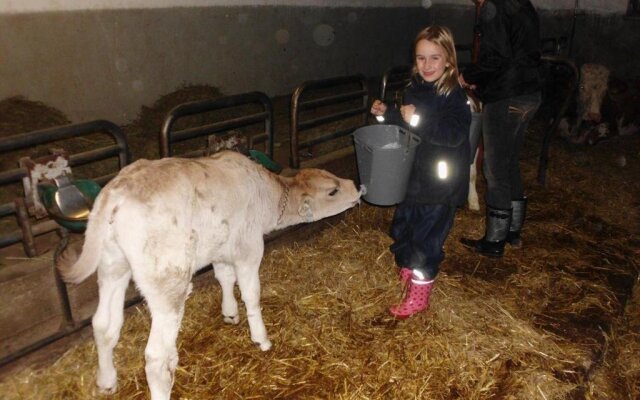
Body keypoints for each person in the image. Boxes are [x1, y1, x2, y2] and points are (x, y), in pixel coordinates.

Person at [370, 25, 471, 319]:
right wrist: (384, 113)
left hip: (440, 183)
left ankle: (420, 293)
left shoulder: (454, 96)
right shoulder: (414, 89)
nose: (427, 65)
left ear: (449, 60)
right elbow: (407, 123)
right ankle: (408, 269)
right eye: (421, 58)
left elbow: (454, 134)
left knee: (427, 238)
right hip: (413, 176)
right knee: (404, 227)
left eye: (434, 58)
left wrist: (420, 119)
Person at [458, 0, 543, 257]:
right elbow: (517, 53)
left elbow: (495, 58)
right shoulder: (522, 4)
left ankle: (494, 241)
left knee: (494, 169)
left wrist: (469, 75)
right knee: (509, 163)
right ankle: (513, 231)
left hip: (507, 97)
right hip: (531, 93)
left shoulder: (493, 7)